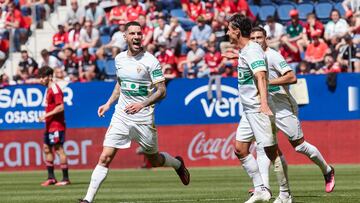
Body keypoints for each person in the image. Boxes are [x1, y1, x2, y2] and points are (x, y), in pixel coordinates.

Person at [79, 21, 190, 203]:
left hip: (143, 118)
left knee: (154, 160)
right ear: (126, 36)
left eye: (139, 33)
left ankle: (177, 164)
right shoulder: (119, 59)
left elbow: (162, 91)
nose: (137, 37)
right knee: (105, 157)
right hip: (121, 115)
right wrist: (108, 103)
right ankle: (87, 199)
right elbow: (120, 84)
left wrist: (142, 104)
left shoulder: (151, 61)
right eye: (132, 34)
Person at [250, 26, 335, 196]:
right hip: (267, 107)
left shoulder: (272, 56)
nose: (256, 41)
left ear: (266, 38)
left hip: (283, 108)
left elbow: (292, 77)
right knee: (262, 146)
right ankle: (263, 189)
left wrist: (267, 83)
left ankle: (327, 170)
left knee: (300, 146)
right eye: (253, 38)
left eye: (259, 37)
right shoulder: (252, 56)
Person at [225, 14, 291, 203]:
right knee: (240, 149)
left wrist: (263, 104)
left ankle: (286, 194)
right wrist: (236, 55)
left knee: (272, 152)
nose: (227, 32)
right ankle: (261, 189)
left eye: (229, 29)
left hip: (258, 108)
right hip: (248, 111)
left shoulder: (252, 50)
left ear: (237, 31)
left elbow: (261, 76)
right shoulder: (246, 50)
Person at [38, 66, 70, 186]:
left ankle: (65, 179)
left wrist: (46, 115)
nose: (40, 80)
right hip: (49, 125)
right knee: (46, 148)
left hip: (56, 125)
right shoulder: (49, 89)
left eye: (42, 77)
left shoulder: (55, 89)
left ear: (50, 76)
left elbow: (61, 107)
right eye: (39, 77)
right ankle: (51, 178)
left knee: (58, 149)